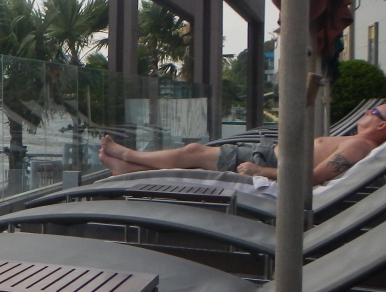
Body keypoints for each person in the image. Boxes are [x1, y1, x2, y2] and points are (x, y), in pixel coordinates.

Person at [99, 106, 386, 186]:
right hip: (269, 154)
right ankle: (128, 170)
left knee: (192, 153)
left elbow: (311, 178)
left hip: (267, 162)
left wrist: (261, 171)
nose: (367, 112)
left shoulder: (359, 146)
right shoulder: (358, 143)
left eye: (374, 112)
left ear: (382, 126)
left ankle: (127, 155)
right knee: (194, 159)